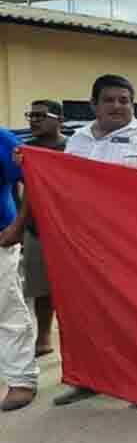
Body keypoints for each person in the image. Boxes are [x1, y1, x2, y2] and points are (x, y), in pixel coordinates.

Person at [55, 75, 137, 407]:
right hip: (85, 242)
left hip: (136, 244)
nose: (117, 106)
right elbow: (63, 184)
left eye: (124, 100)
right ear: (93, 105)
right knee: (88, 312)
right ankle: (88, 378)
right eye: (110, 99)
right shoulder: (78, 140)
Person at [2, 101, 66, 358]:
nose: (34, 120)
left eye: (41, 115)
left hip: (68, 230)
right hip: (36, 228)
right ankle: (43, 336)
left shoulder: (75, 147)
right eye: (31, 115)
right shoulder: (24, 150)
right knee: (39, 288)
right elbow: (23, 189)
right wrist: (19, 225)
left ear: (59, 119)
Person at [0, 126, 37, 412]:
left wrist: (17, 227)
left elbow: (34, 179)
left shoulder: (2, 138)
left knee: (6, 309)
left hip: (0, 236)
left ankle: (21, 380)